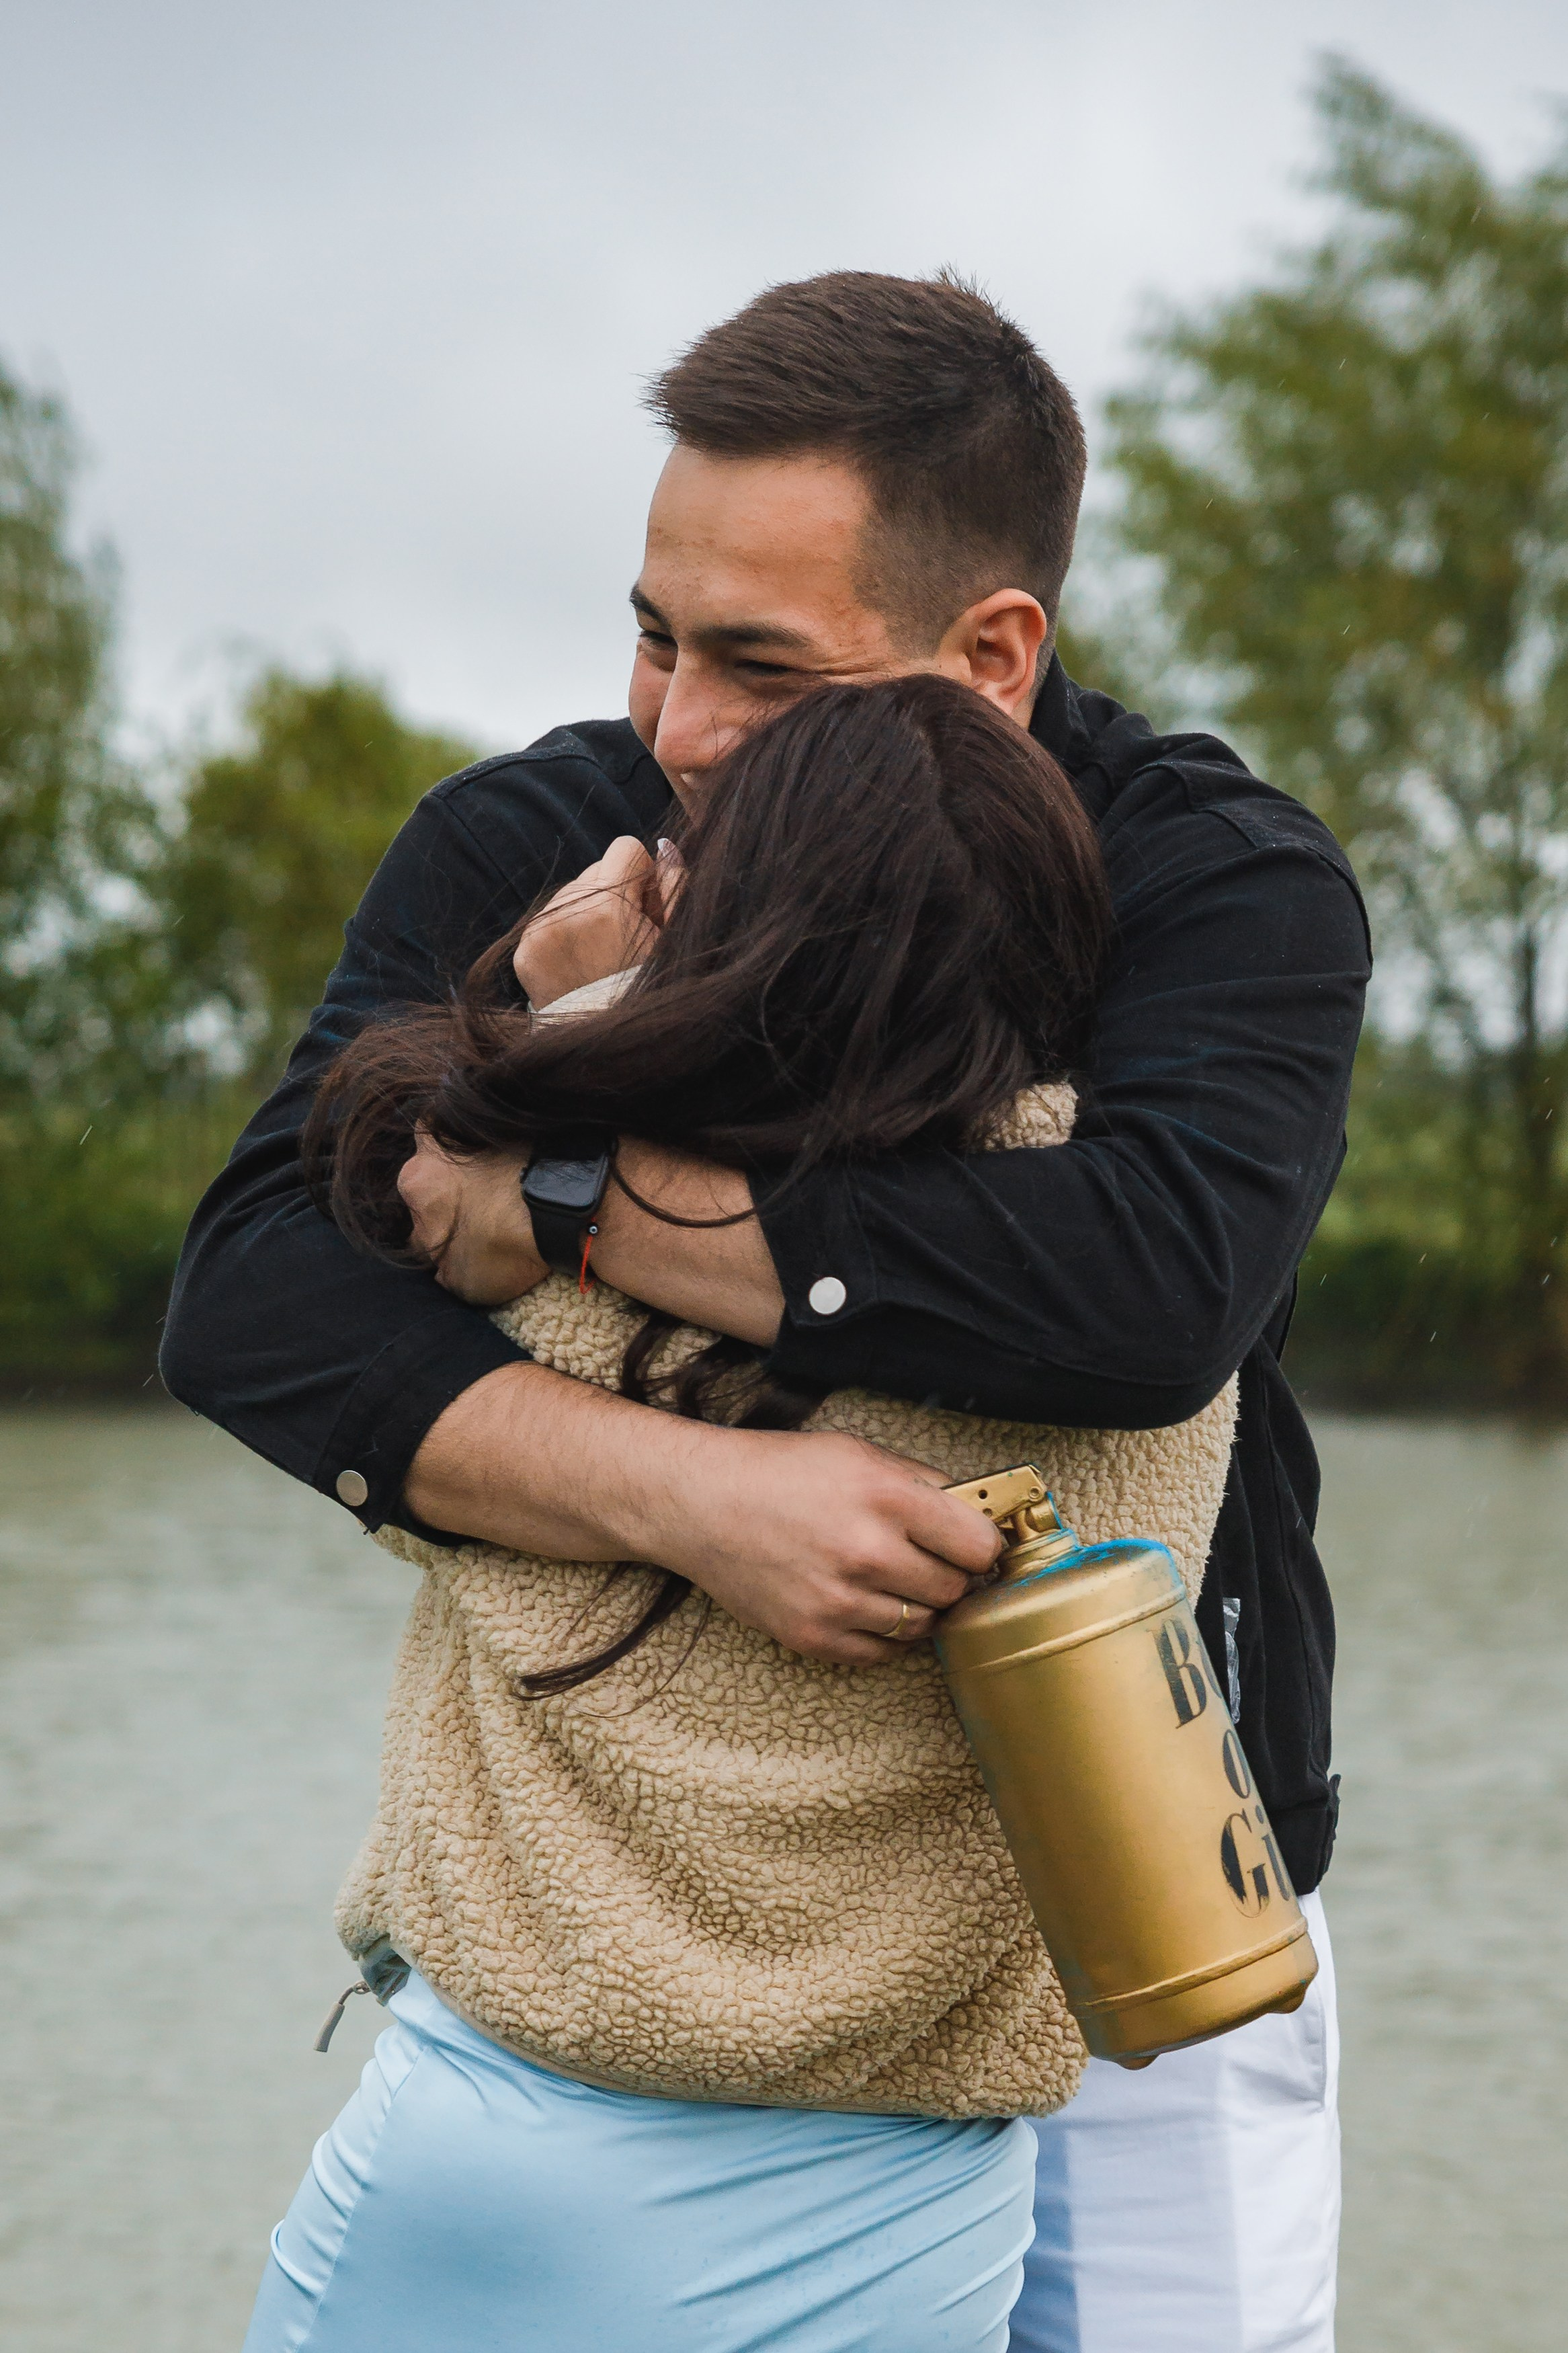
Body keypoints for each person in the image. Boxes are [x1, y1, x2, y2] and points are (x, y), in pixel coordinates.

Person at [163, 272, 1369, 2350]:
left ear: (994, 652)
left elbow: (1151, 1287)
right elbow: (262, 1295)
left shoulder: (1222, 878)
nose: (675, 726)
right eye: (652, 627)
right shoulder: (535, 834)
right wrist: (686, 1494)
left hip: (1147, 1893)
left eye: (759, 665)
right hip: (686, 1963)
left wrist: (556, 1193)